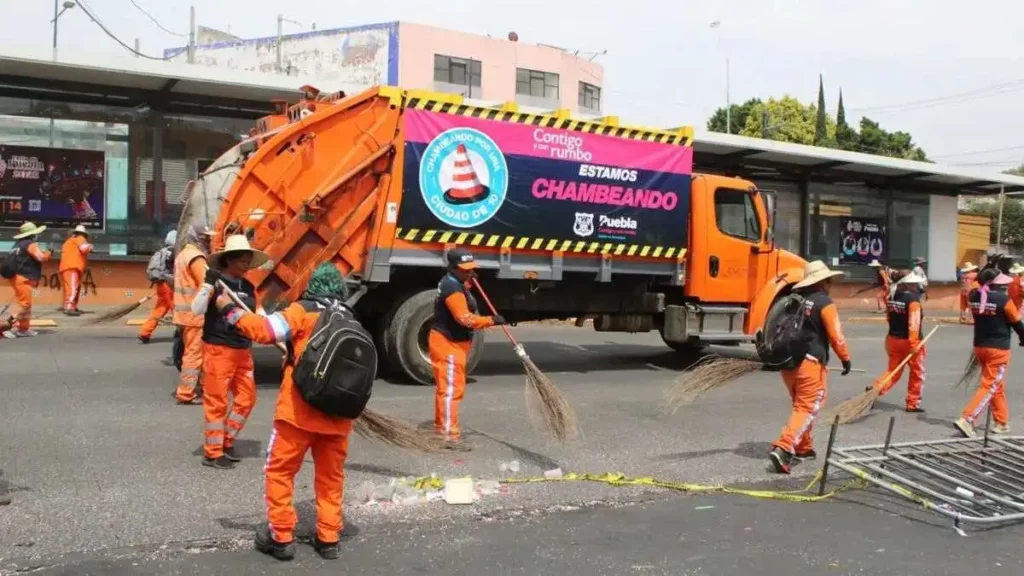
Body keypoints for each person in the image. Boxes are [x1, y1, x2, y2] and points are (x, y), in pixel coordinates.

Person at [211, 262, 356, 561]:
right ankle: (328, 539)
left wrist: (229, 308)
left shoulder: (301, 311)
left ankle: (281, 538)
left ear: (312, 286)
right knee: (331, 478)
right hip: (338, 416)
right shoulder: (350, 318)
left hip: (298, 414)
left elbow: (263, 331)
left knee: (280, 473)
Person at [189, 234, 268, 469]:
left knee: (247, 398)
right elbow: (196, 309)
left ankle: (226, 440)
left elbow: (258, 314)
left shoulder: (248, 287)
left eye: (248, 261)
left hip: (243, 349)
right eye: (243, 261)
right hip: (219, 348)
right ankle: (212, 452)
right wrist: (207, 284)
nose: (246, 266)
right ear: (229, 261)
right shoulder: (216, 284)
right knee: (217, 402)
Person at [769, 260, 852, 475]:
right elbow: (836, 334)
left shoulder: (795, 300)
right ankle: (784, 448)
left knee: (801, 405)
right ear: (823, 281)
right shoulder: (824, 302)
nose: (831, 284)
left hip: (789, 364)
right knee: (808, 406)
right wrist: (845, 358)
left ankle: (804, 448)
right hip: (810, 362)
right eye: (829, 281)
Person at [428, 247, 506, 450]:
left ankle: (442, 428)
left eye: (471, 268)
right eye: (465, 269)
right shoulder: (452, 288)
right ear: (453, 268)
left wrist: (468, 283)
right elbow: (465, 319)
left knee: (450, 389)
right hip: (448, 344)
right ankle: (447, 436)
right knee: (451, 391)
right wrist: (491, 320)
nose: (469, 272)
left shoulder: (457, 283)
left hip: (454, 344)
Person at [955, 268, 1024, 438]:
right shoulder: (1004, 300)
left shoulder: (974, 296)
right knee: (990, 385)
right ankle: (967, 419)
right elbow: (1017, 323)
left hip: (980, 346)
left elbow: (974, 287)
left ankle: (1001, 422)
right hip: (998, 349)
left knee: (996, 385)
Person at [869, 270, 927, 412]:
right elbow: (914, 323)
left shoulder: (892, 296)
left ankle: (876, 389)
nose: (915, 285)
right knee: (917, 372)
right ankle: (913, 403)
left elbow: (889, 317)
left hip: (892, 339)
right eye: (912, 283)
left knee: (893, 370)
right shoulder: (913, 300)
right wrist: (914, 344)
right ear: (906, 284)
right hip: (909, 341)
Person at [172, 224, 215, 405]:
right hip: (195, 315)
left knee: (200, 354)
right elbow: (206, 286)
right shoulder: (196, 258)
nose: (209, 241)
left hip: (185, 314)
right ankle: (186, 393)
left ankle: (206, 388)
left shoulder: (183, 255)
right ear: (198, 238)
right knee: (194, 355)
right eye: (206, 238)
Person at [2, 222, 52, 339]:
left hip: (17, 277)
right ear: (32, 234)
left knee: (26, 305)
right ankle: (7, 327)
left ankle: (23, 329)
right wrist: (49, 253)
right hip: (23, 278)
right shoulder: (30, 244)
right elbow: (41, 257)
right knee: (24, 305)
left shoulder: (18, 244)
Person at [138, 230, 177, 344]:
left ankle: (145, 332)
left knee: (160, 309)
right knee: (176, 309)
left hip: (160, 284)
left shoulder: (160, 252)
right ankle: (183, 332)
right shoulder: (175, 252)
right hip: (170, 285)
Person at [58, 225, 93, 316]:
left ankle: (71, 307)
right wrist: (91, 247)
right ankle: (69, 307)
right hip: (73, 267)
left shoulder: (69, 241)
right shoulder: (80, 238)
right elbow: (84, 248)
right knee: (72, 288)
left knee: (70, 288)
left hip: (67, 267)